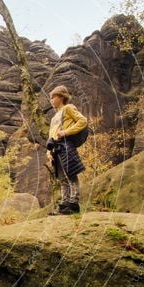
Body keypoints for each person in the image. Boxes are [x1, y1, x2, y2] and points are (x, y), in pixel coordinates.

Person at [46, 85, 87, 214]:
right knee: (62, 178)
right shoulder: (53, 118)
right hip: (56, 149)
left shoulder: (68, 108)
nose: (51, 100)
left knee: (71, 174)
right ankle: (64, 205)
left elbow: (83, 121)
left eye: (53, 97)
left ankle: (74, 204)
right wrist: (49, 152)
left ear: (61, 96)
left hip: (66, 145)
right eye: (51, 98)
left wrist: (66, 132)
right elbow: (51, 135)